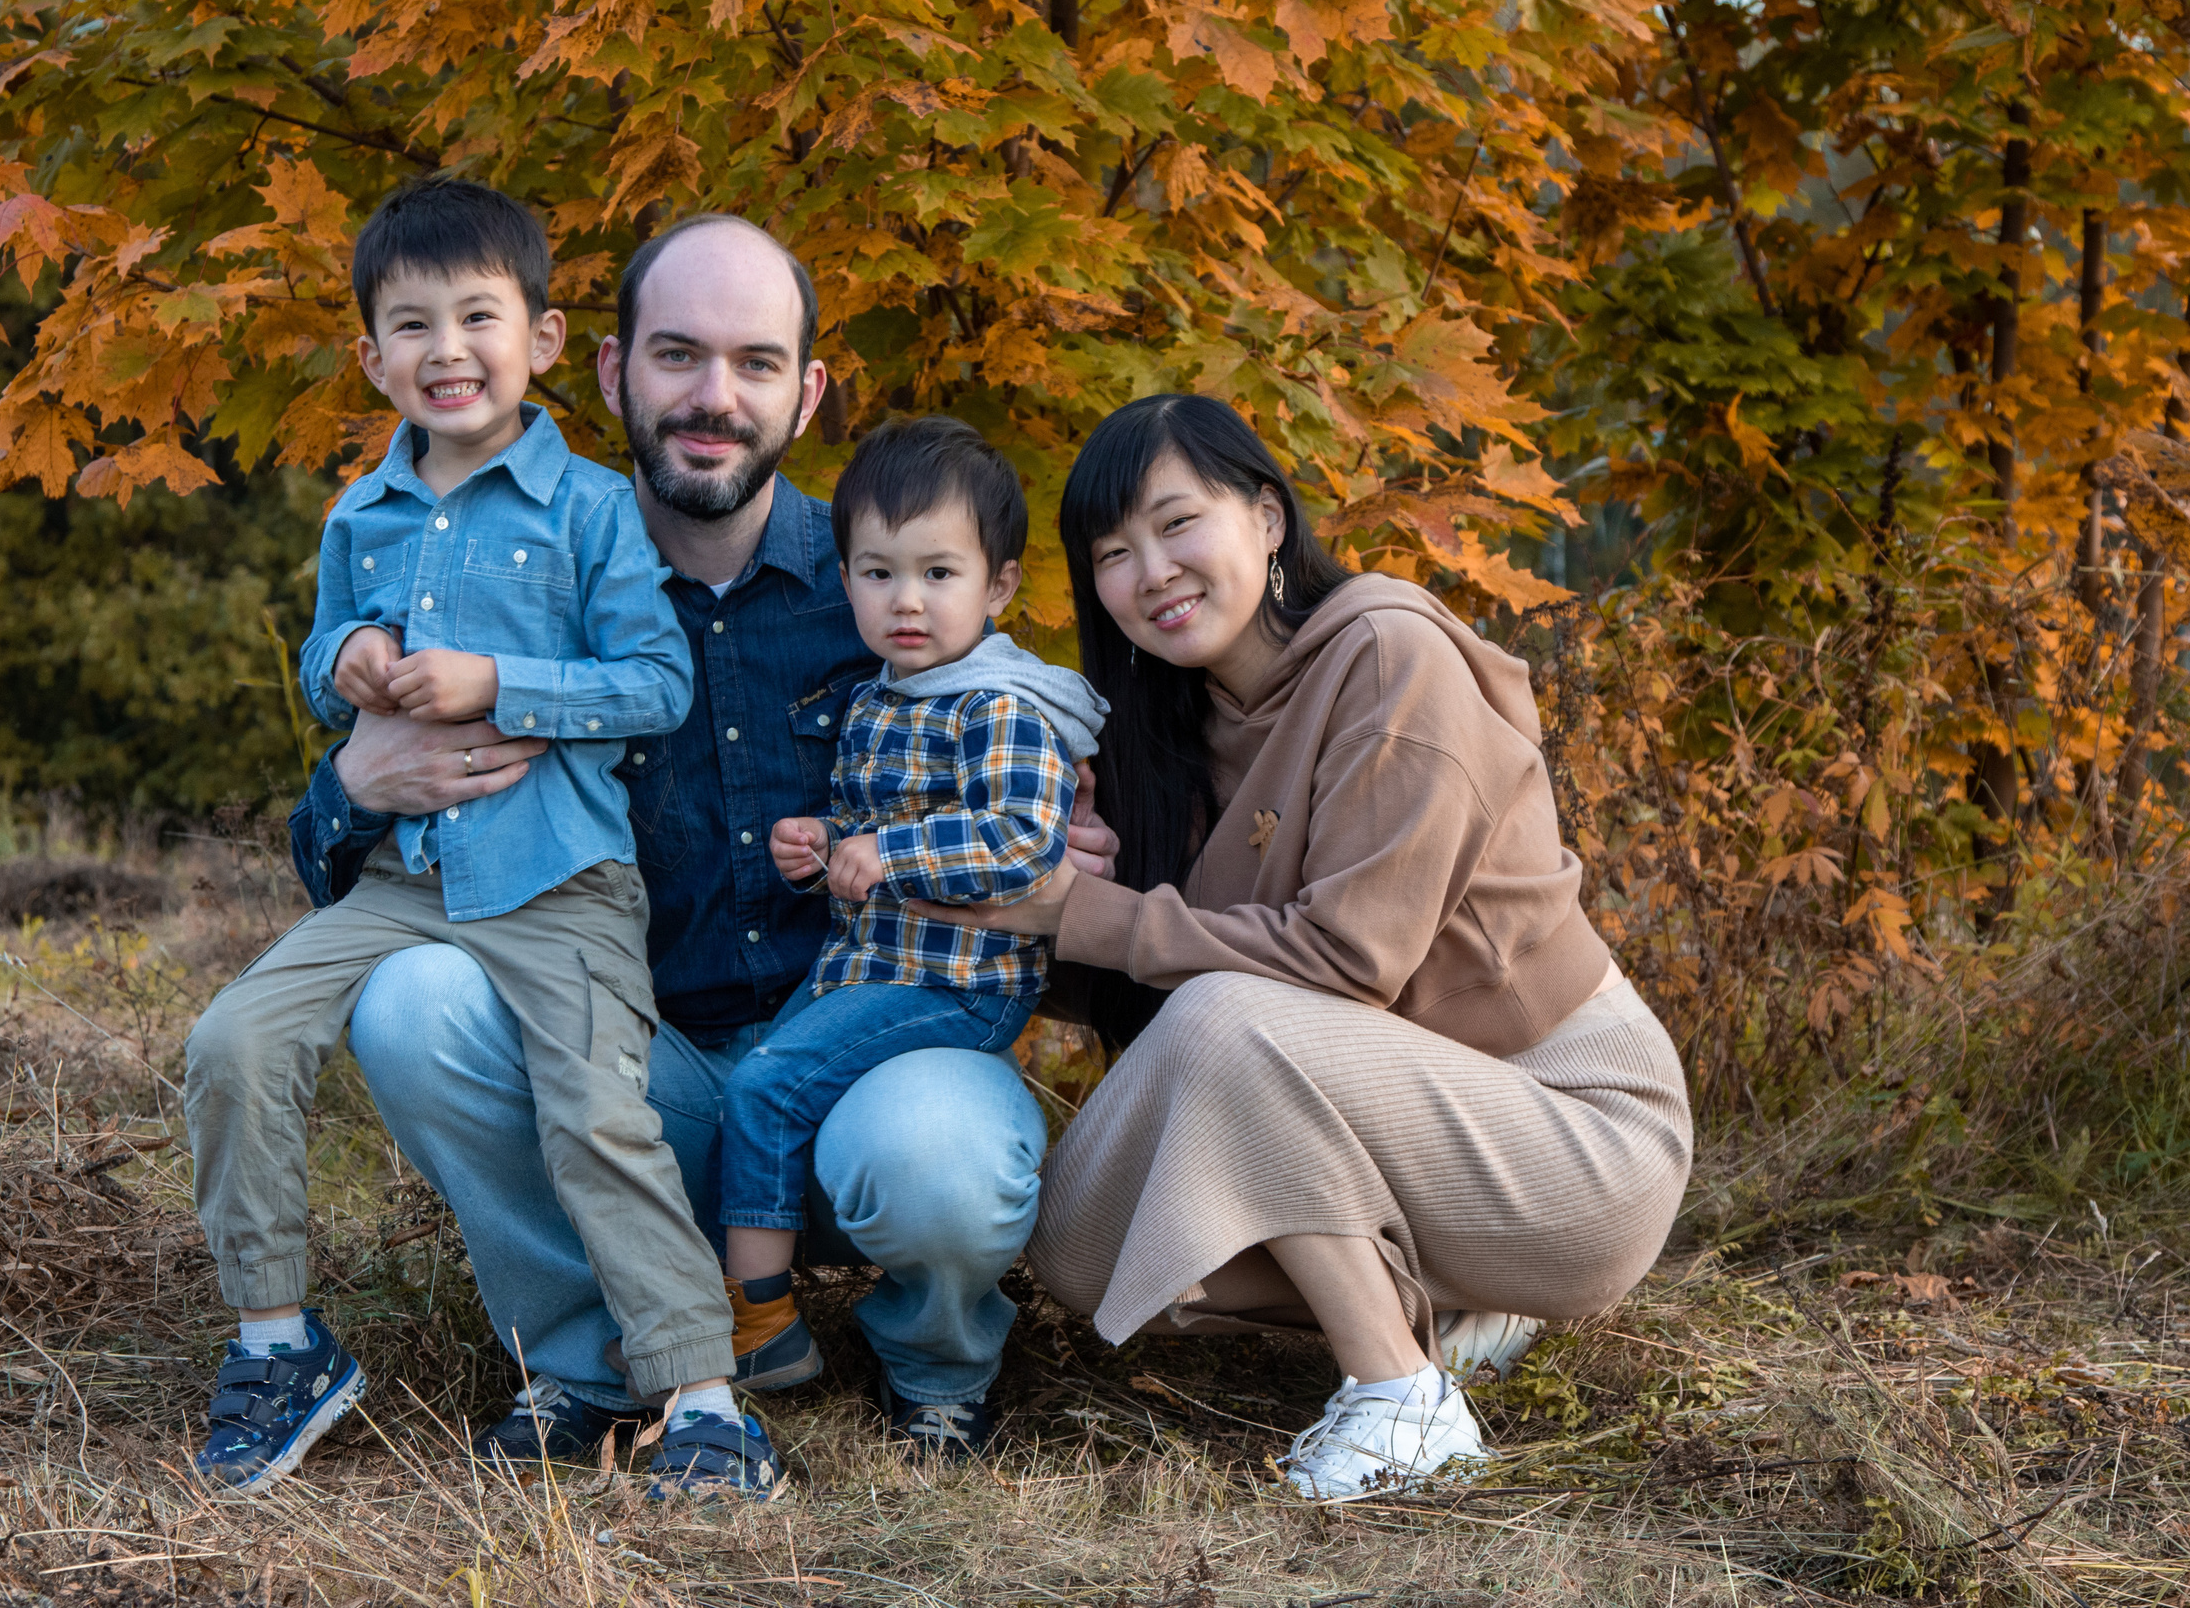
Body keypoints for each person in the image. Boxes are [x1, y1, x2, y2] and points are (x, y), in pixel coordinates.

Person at [291, 215, 1117, 1466]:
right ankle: (592, 1357)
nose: (713, 397)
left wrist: (1076, 837)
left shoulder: (891, 585)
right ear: (614, 370)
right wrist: (355, 780)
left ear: (808, 390)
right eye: (677, 356)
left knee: (941, 1149)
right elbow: (341, 871)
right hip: (632, 1087)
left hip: (862, 1070)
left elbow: (1031, 741)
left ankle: (931, 1366)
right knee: (414, 1001)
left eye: (755, 362)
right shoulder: (524, 578)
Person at [912, 394, 1693, 1502]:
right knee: (1082, 1243)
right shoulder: (1168, 729)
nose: (1153, 571)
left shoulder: (1386, 650)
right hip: (1387, 1114)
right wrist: (1039, 870)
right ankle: (1461, 1294)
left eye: (1179, 524)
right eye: (1115, 554)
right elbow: (1132, 981)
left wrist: (1084, 914)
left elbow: (1345, 963)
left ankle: (1401, 1398)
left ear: (1268, 519)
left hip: (1571, 1128)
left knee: (1225, 1018)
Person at [179, 177, 769, 1500]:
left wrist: (498, 682)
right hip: (404, 882)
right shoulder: (360, 513)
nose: (448, 350)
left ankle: (701, 1396)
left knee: (594, 1115)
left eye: (478, 317)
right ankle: (280, 1341)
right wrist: (358, 657)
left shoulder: (593, 510)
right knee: (234, 1039)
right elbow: (324, 656)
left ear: (545, 341)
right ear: (372, 356)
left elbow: (654, 682)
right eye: (413, 325)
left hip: (559, 879)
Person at [728, 418, 1108, 1390]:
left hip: (957, 984)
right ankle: (748, 1291)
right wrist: (818, 848)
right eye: (877, 572)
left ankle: (758, 1325)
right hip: (870, 968)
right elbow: (871, 833)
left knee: (766, 1084)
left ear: (999, 586)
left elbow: (1020, 842)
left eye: (939, 574)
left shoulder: (999, 706)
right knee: (758, 1080)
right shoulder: (881, 696)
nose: (906, 600)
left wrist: (884, 853)